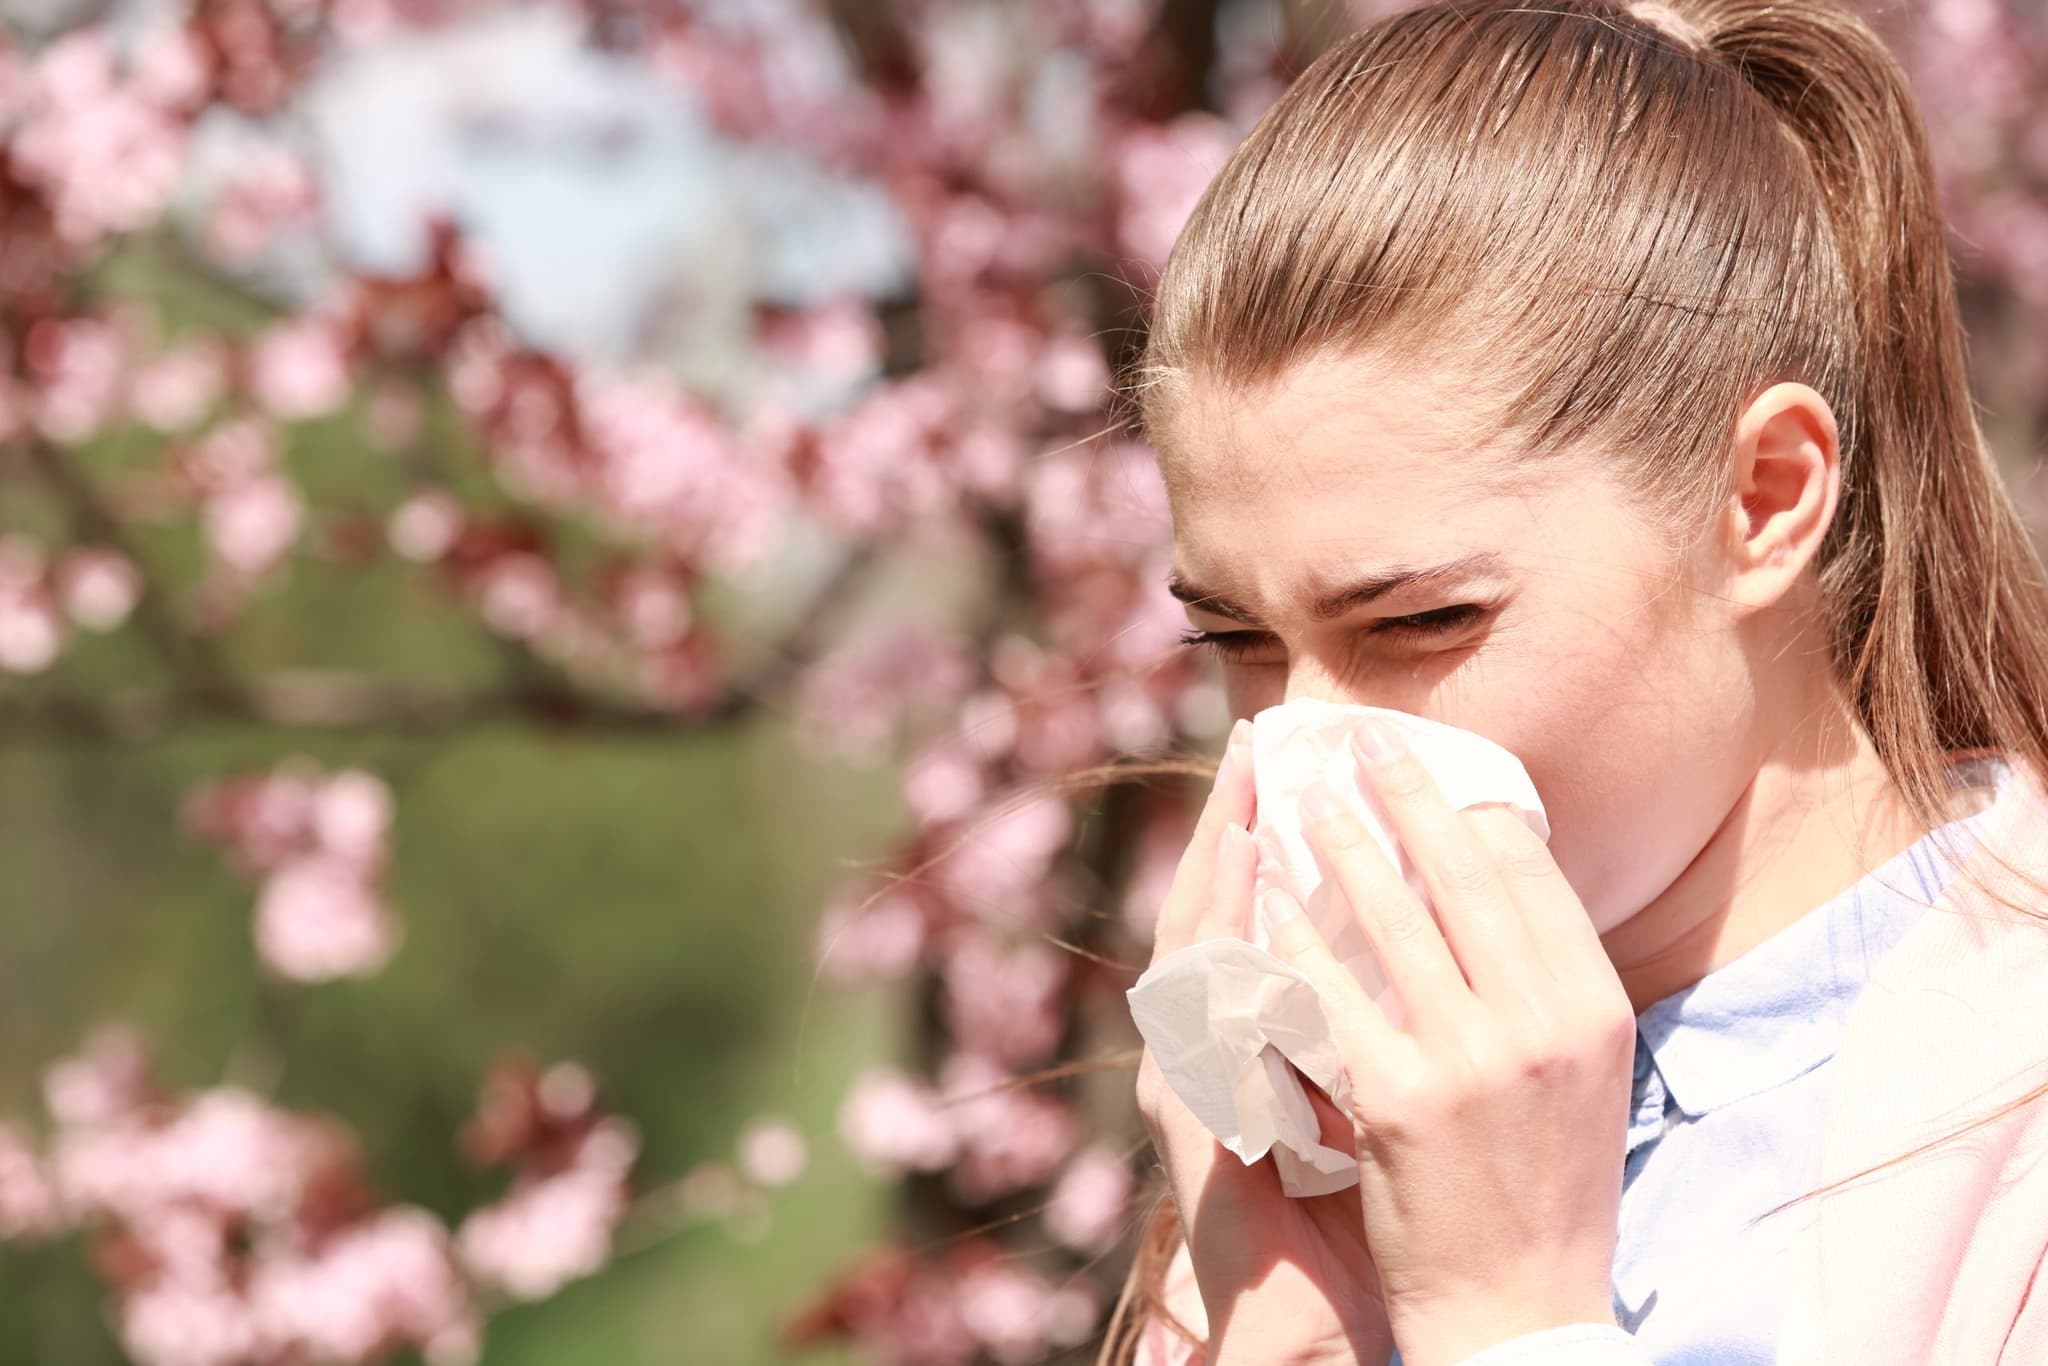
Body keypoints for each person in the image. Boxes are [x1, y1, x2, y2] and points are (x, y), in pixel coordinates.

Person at [1098, 1, 2048, 1363]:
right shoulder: (1306, 1144)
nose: (1308, 730)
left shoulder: (2012, 1126)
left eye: (1422, 620)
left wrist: (1510, 1319)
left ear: (1765, 497)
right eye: (1237, 641)